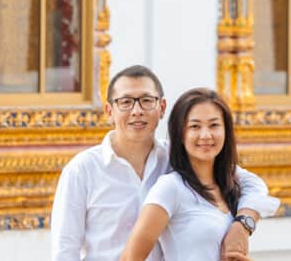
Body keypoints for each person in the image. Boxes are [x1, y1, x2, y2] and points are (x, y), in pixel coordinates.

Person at [51, 66, 275, 261]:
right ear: (109, 111)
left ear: (162, 108)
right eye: (126, 102)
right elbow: (65, 251)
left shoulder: (178, 158)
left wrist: (243, 225)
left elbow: (252, 184)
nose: (137, 111)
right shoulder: (82, 170)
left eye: (147, 101)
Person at [119, 88, 279, 261]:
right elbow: (130, 258)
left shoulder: (230, 184)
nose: (206, 135)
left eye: (214, 125)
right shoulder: (170, 187)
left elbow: (257, 186)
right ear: (181, 134)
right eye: (195, 126)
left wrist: (241, 226)